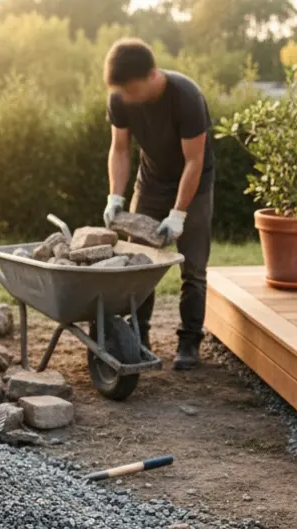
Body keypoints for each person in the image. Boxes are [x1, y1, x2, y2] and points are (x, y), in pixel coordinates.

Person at [102, 38, 215, 371]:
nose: (127, 98)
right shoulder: (120, 96)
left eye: (132, 90)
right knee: (140, 263)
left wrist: (179, 213)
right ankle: (139, 336)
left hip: (195, 184)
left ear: (152, 76)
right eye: (121, 91)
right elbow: (120, 149)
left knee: (192, 267)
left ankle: (189, 342)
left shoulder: (186, 97)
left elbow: (194, 162)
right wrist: (115, 196)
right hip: (150, 183)